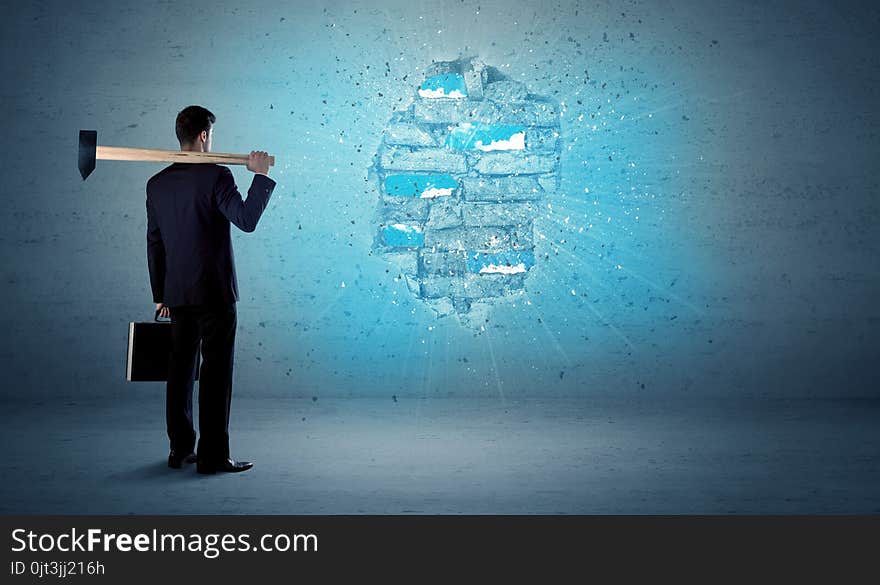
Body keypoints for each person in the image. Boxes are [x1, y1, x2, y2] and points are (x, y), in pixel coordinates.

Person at [146, 105, 275, 474]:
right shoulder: (217, 176)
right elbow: (247, 220)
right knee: (216, 373)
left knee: (180, 371)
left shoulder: (157, 184)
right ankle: (213, 456)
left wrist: (160, 294)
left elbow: (154, 242)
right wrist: (260, 177)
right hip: (215, 293)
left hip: (176, 293)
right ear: (204, 136)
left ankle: (180, 450)